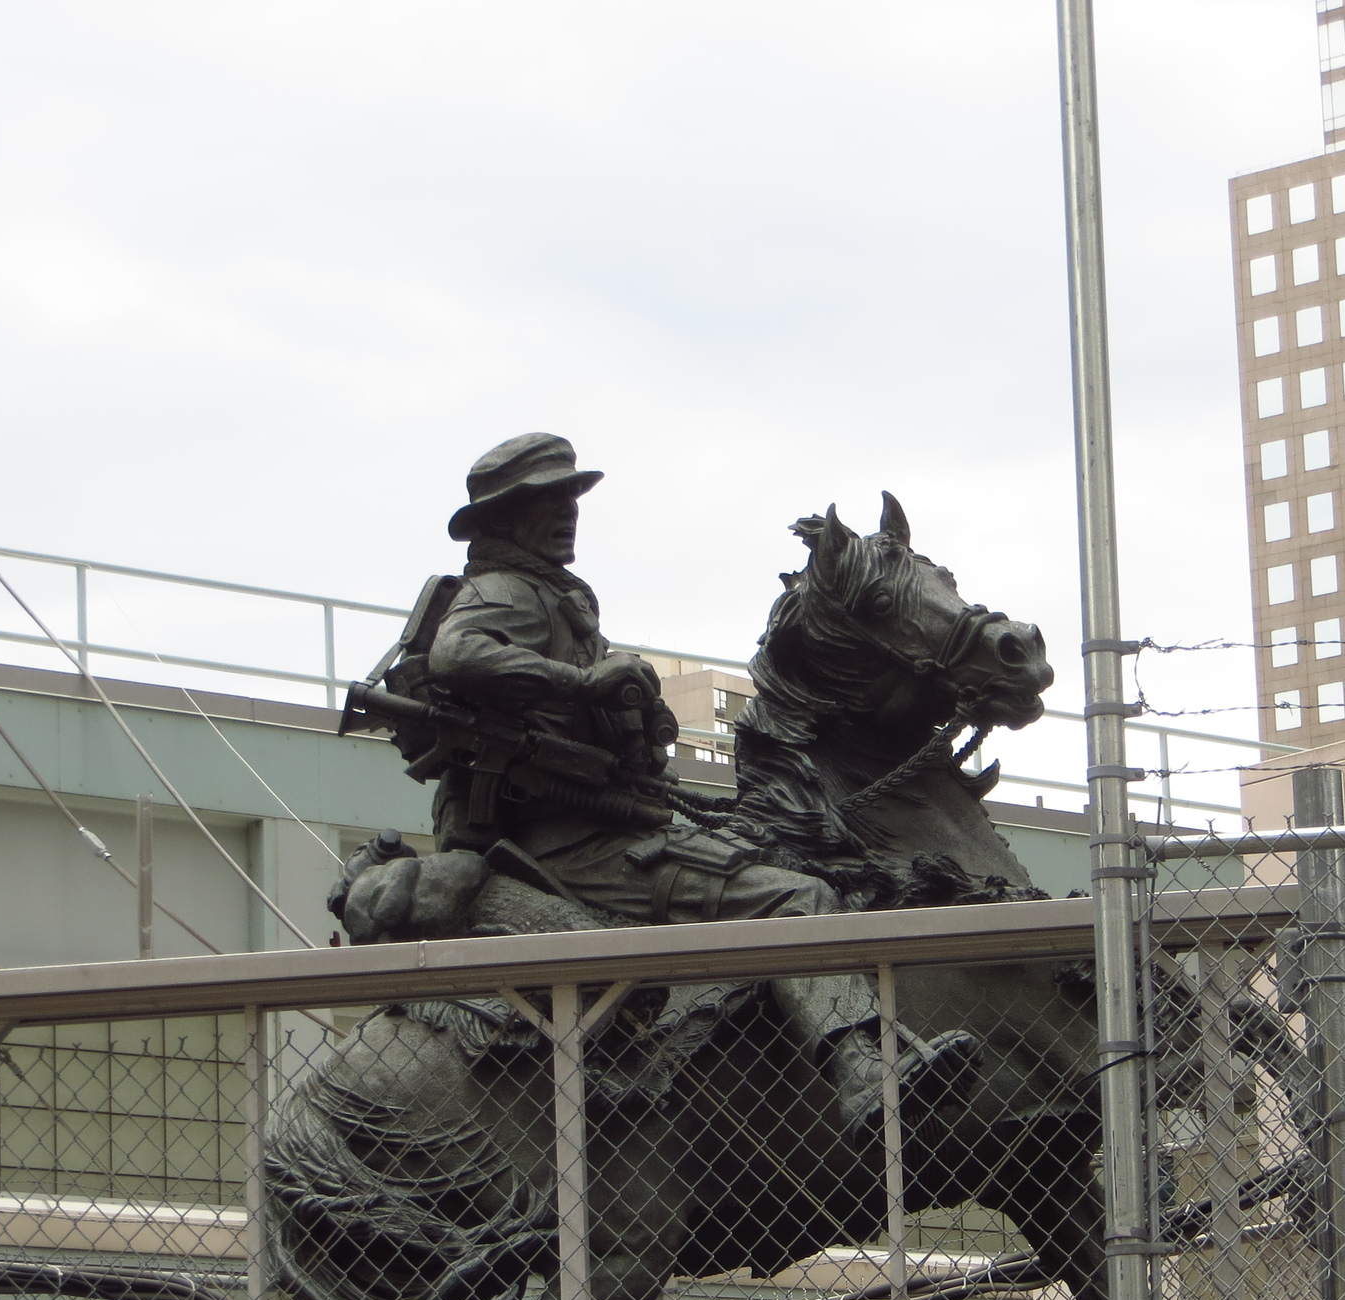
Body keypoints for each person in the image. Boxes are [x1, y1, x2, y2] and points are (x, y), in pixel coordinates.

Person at [417, 431, 975, 1133]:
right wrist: (584, 680)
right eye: (545, 501)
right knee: (797, 896)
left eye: (571, 497)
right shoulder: (506, 591)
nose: (567, 513)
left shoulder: (552, 596)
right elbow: (455, 652)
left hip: (608, 826)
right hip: (575, 845)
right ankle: (860, 1069)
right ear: (503, 518)